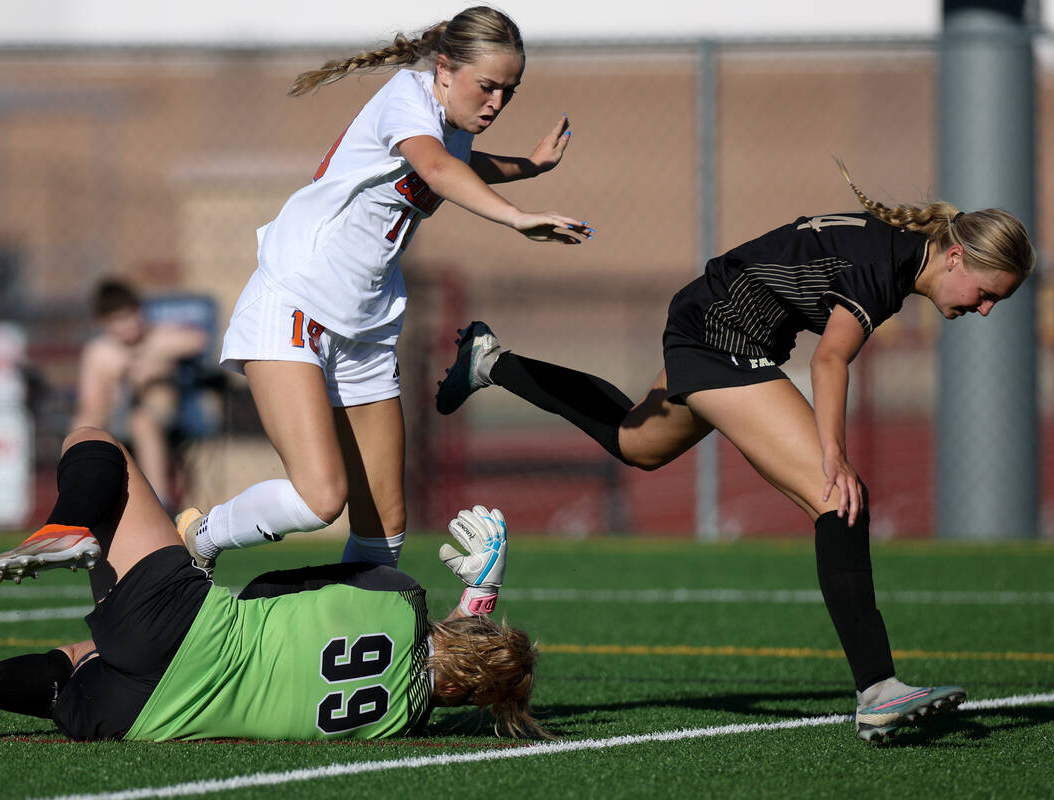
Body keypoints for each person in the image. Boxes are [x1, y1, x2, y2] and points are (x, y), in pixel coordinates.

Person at [434, 162, 1036, 743]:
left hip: (710, 319)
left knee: (636, 443)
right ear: (956, 256)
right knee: (839, 500)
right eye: (987, 294)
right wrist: (835, 453)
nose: (983, 309)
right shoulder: (888, 263)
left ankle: (489, 362)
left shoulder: (899, 253)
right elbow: (829, 359)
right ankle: (878, 689)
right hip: (720, 334)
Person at [174, 6, 593, 576]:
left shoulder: (449, 125)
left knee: (384, 533)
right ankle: (201, 537)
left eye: (509, 92)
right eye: (487, 87)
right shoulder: (407, 98)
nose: (496, 103)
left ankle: (345, 655)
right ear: (444, 70)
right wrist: (517, 217)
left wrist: (530, 166)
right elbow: (439, 170)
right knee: (320, 499)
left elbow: (464, 161)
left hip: (366, 328)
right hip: (295, 302)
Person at [0, 426, 545, 741]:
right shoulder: (399, 726)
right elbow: (446, 674)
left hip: (182, 628)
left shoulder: (402, 598)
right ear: (463, 695)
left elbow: (276, 589)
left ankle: (66, 525)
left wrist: (483, 591)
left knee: (101, 444)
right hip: (149, 718)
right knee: (76, 669)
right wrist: (474, 628)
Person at [72, 278, 209, 507]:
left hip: (160, 416)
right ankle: (77, 497)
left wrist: (153, 361)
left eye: (131, 315)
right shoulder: (99, 352)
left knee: (141, 421)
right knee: (84, 423)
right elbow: (90, 402)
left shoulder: (158, 338)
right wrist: (118, 377)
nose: (129, 325)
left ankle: (159, 501)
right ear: (104, 323)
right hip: (113, 416)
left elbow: (198, 340)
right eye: (118, 320)